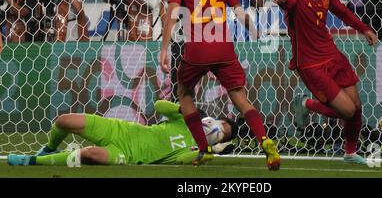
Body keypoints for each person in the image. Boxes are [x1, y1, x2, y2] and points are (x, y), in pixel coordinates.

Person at [159, 0, 280, 170]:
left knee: (184, 95)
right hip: (224, 47)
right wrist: (256, 33)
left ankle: (204, 150)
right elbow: (241, 13)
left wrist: (164, 49)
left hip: (197, 48)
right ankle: (264, 140)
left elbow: (172, 15)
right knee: (240, 99)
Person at [273, 0, 378, 164]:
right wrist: (283, 3)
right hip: (311, 65)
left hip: (332, 56)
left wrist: (365, 29)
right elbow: (289, 5)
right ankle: (306, 104)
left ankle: (350, 152)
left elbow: (343, 14)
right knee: (347, 111)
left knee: (357, 108)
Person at [7, 100, 237, 166]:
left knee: (89, 155)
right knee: (64, 121)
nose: (216, 130)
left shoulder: (194, 150)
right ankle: (48, 148)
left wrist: (207, 152)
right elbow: (158, 105)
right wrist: (185, 110)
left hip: (126, 155)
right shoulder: (186, 121)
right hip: (121, 130)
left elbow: (184, 160)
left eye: (221, 134)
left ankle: (34, 161)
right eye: (219, 124)